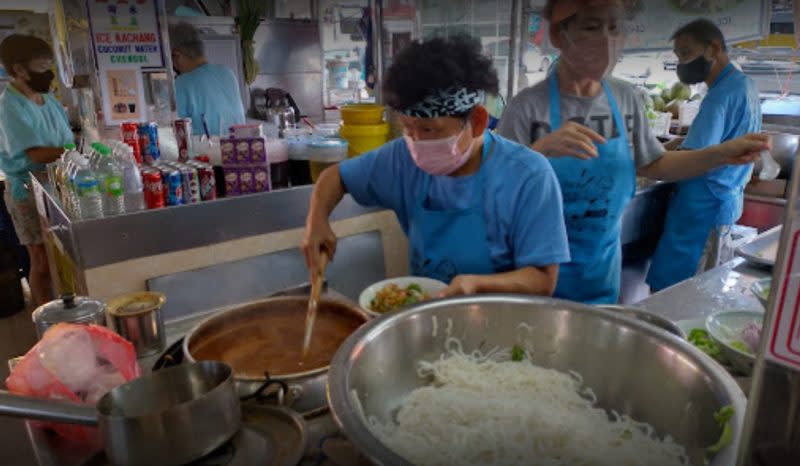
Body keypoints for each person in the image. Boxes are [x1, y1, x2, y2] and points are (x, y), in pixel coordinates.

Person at [497, 0, 769, 304]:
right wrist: (538, 153)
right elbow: (493, 192)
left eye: (614, 28)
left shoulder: (626, 98)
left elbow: (657, 163)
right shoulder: (527, 107)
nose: (606, 40)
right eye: (591, 27)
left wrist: (721, 154)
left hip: (601, 273)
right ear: (560, 36)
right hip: (536, 278)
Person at [302, 35, 570, 297]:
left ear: (477, 121)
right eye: (407, 128)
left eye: (429, 129)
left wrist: (476, 285)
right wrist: (317, 222)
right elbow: (335, 177)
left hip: (503, 326)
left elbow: (543, 278)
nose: (417, 142)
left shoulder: (529, 176)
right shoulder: (400, 159)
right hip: (425, 320)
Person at [646, 20, 762, 292]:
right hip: (723, 199)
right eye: (678, 57)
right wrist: (672, 144)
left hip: (701, 207)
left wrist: (648, 159)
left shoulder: (720, 97)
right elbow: (706, 142)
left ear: (714, 48)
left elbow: (694, 155)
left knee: (677, 294)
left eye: (686, 53)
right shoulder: (743, 85)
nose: (682, 64)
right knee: (702, 286)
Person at [0, 34, 74, 307]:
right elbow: (36, 153)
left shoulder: (48, 98)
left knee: (61, 258)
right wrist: (77, 152)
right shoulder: (10, 106)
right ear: (19, 69)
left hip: (56, 184)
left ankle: (64, 311)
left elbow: (64, 140)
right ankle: (46, 326)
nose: (49, 74)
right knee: (41, 261)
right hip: (28, 190)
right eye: (42, 67)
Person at [169, 22, 245, 136]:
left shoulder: (181, 83)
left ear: (177, 56)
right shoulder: (227, 73)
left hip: (205, 151)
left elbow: (176, 131)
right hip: (239, 147)